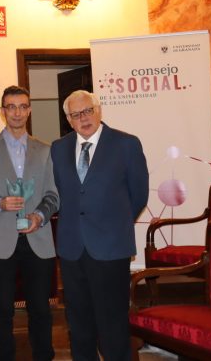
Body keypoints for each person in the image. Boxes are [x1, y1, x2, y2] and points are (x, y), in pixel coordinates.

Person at [51, 90, 148, 361]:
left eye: (88, 111)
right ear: (69, 120)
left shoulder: (126, 144)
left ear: (99, 110)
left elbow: (138, 194)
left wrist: (114, 225)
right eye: (76, 114)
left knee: (113, 325)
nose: (84, 118)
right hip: (72, 249)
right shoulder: (58, 148)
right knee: (79, 324)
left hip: (111, 248)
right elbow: (59, 192)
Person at [0, 86, 59, 361]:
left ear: (29, 109)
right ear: (2, 111)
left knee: (40, 307)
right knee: (2, 308)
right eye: (10, 106)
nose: (16, 112)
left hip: (37, 238)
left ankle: (44, 355)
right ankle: (4, 356)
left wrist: (39, 215)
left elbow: (53, 194)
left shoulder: (46, 150)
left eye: (22, 106)